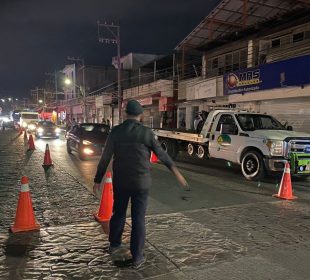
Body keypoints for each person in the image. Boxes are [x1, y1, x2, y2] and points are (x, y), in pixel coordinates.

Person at [93, 99, 188, 269]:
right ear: (141, 115)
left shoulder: (115, 132)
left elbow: (105, 158)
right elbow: (162, 154)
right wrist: (176, 172)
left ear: (125, 113)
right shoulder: (147, 133)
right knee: (138, 219)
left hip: (121, 181)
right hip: (141, 183)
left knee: (119, 213)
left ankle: (115, 244)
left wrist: (97, 180)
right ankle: (137, 258)